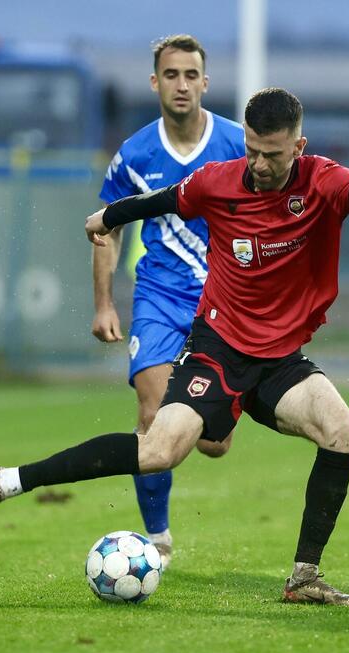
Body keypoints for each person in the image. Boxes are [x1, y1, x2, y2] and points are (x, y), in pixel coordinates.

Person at [0, 88, 349, 606]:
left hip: (279, 360)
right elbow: (162, 200)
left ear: (299, 146)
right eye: (251, 150)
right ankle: (2, 482)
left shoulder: (323, 180)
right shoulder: (220, 182)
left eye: (271, 155)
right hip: (219, 348)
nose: (258, 163)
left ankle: (303, 578)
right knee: (159, 452)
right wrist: (110, 217)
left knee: (341, 429)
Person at [92, 34, 245, 569]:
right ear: (155, 82)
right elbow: (107, 230)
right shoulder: (134, 155)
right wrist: (105, 304)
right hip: (158, 297)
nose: (182, 85)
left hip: (225, 305)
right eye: (171, 75)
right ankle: (156, 540)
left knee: (213, 444)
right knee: (153, 416)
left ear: (206, 82)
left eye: (191, 75)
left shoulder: (235, 144)